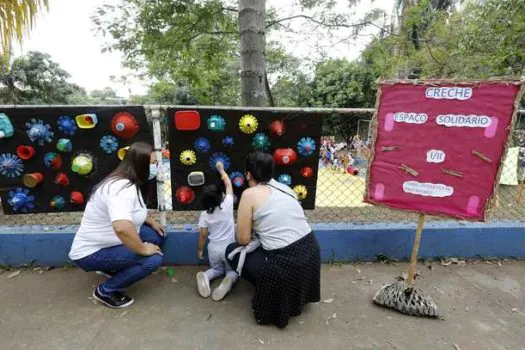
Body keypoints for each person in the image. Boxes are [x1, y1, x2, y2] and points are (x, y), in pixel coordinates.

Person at [226, 152, 321, 328]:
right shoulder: (285, 188)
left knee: (231, 251)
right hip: (311, 255)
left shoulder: (249, 194)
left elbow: (243, 239)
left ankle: (271, 291)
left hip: (285, 262)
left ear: (248, 174)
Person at [69, 142, 166, 309]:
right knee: (152, 259)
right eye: (152, 163)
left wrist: (151, 221)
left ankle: (115, 268)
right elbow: (121, 227)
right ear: (139, 164)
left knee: (155, 236)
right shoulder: (121, 188)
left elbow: (131, 212)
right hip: (92, 252)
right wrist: (143, 249)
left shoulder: (129, 181)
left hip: (112, 241)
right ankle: (106, 290)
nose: (155, 167)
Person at [196, 161, 238, 301]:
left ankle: (206, 276)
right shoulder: (228, 204)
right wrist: (221, 170)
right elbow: (228, 184)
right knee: (232, 271)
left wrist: (200, 249)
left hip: (213, 248)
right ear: (221, 196)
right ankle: (228, 280)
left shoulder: (204, 215)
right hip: (229, 249)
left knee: (216, 269)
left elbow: (203, 234)